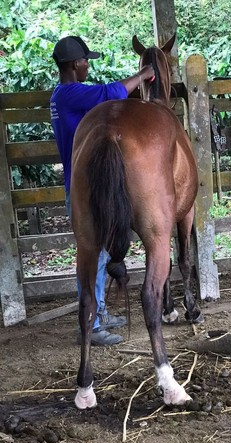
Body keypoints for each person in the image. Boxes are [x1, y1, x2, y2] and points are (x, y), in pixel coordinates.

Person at [50, 35, 154, 346]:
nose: (87, 65)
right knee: (92, 254)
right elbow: (111, 93)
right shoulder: (70, 94)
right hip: (83, 189)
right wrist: (143, 75)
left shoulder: (62, 96)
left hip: (84, 185)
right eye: (85, 61)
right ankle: (93, 324)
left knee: (100, 251)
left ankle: (100, 311)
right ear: (73, 65)